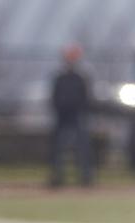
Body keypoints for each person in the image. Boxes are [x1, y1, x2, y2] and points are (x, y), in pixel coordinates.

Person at [49, 44, 94, 188]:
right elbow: (54, 97)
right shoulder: (59, 77)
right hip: (62, 117)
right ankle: (57, 177)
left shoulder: (81, 77)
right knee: (59, 149)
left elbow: (86, 98)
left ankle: (85, 178)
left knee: (82, 148)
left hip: (78, 117)